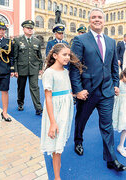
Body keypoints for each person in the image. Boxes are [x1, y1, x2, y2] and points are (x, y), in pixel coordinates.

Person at [70, 8, 126, 171]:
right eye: (94, 17)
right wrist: (78, 90)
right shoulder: (80, 40)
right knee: (81, 119)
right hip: (87, 92)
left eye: (99, 17)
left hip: (107, 91)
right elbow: (75, 68)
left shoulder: (111, 41)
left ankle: (111, 159)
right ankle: (78, 140)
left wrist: (116, 83)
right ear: (89, 21)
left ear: (104, 20)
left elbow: (113, 66)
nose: (97, 19)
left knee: (107, 125)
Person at [41, 43, 83, 180]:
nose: (67, 57)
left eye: (69, 55)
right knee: (56, 147)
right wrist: (52, 122)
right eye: (64, 55)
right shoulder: (49, 73)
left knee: (59, 144)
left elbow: (66, 92)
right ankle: (57, 177)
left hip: (66, 110)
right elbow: (48, 98)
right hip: (56, 112)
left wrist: (76, 95)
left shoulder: (66, 72)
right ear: (55, 56)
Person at [14, 20, 43, 114]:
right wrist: (15, 70)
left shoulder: (37, 41)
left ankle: (38, 108)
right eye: (28, 28)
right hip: (21, 68)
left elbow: (39, 56)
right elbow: (15, 57)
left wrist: (40, 68)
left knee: (35, 87)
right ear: (23, 29)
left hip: (34, 68)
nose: (30, 30)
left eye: (31, 28)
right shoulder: (17, 40)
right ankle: (20, 103)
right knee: (21, 87)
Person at [112, 66, 126, 158]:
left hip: (124, 109)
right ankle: (110, 144)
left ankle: (121, 145)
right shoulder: (119, 83)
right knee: (112, 124)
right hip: (117, 108)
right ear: (123, 75)